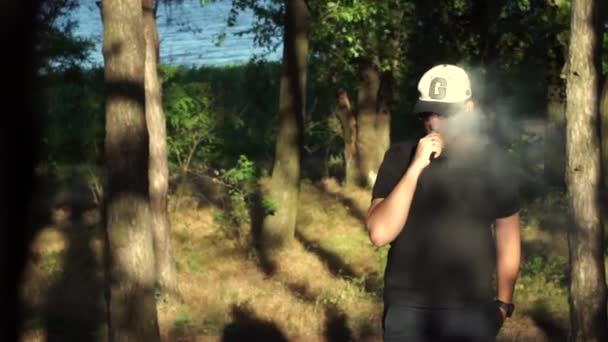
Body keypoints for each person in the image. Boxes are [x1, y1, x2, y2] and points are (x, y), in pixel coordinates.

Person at [366, 64, 521, 341]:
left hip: (472, 311)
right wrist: (415, 167)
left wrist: (502, 305)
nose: (434, 122)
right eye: (427, 112)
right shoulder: (401, 156)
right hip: (407, 311)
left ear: (469, 108)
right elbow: (380, 233)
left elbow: (508, 237)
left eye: (446, 113)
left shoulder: (496, 163)